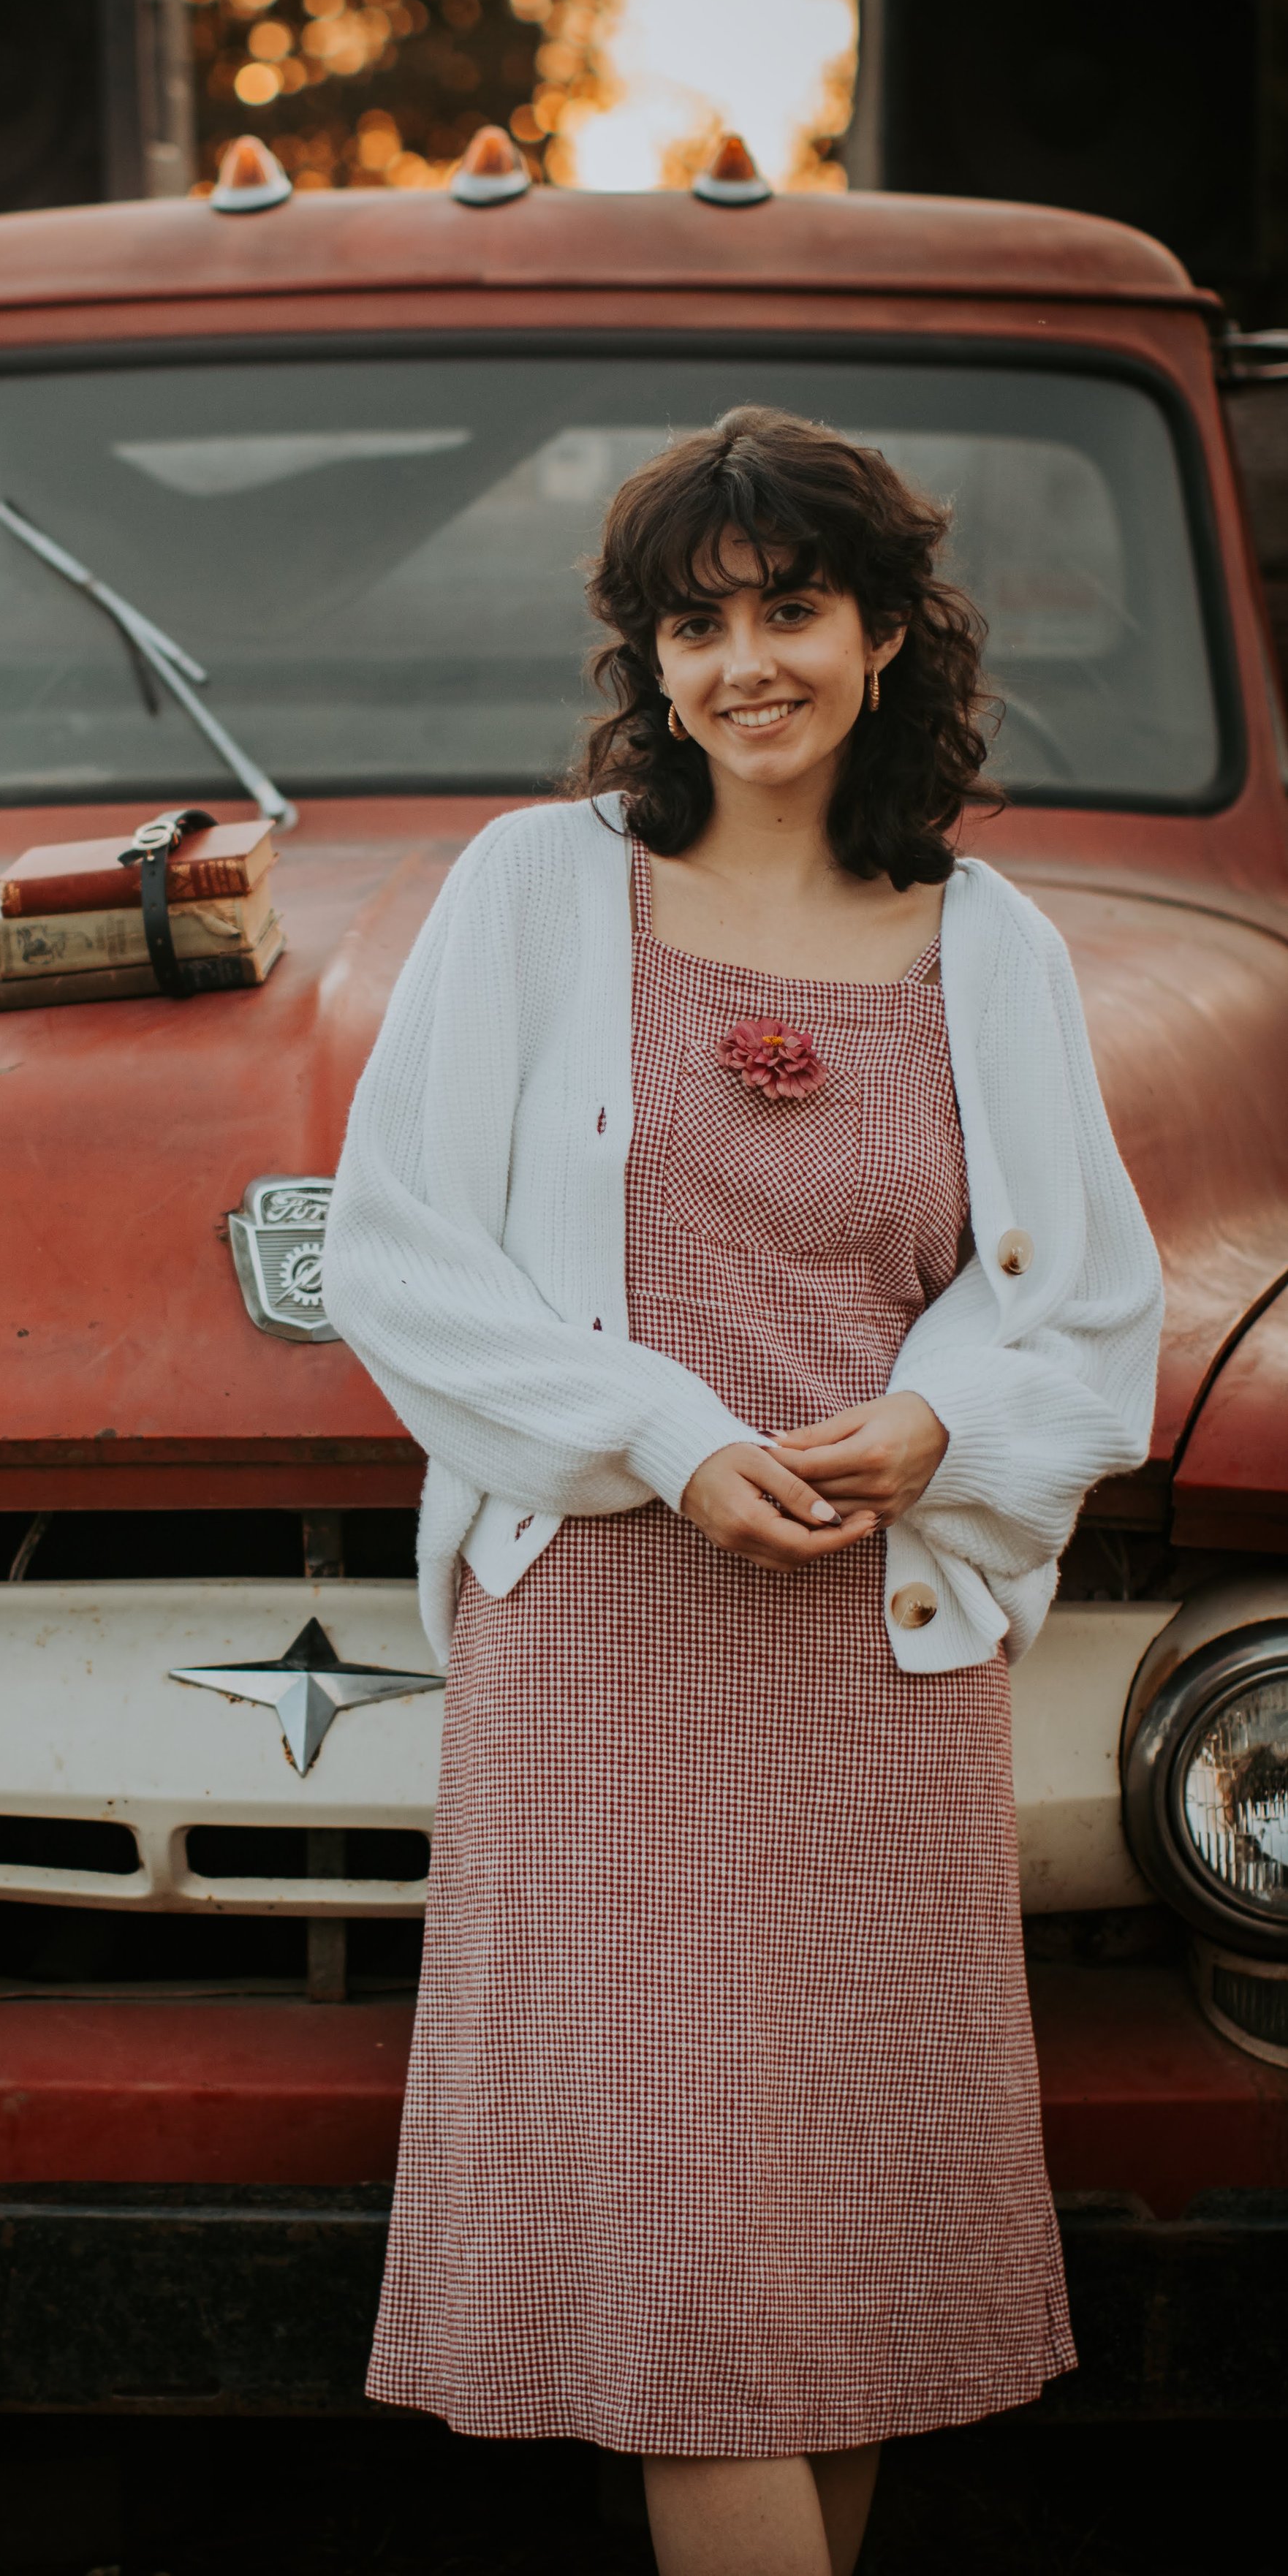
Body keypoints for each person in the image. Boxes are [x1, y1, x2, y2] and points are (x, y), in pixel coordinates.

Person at [321, 406, 1164, 2576]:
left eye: (789, 608)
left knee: (847, 2283)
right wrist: (663, 1437)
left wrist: (939, 1430)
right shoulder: (533, 892)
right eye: (693, 624)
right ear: (648, 663)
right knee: (696, 2280)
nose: (742, 661)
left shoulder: (993, 947)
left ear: (885, 633)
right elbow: (391, 1246)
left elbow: (1084, 1307)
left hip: (878, 1680)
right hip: (607, 1651)